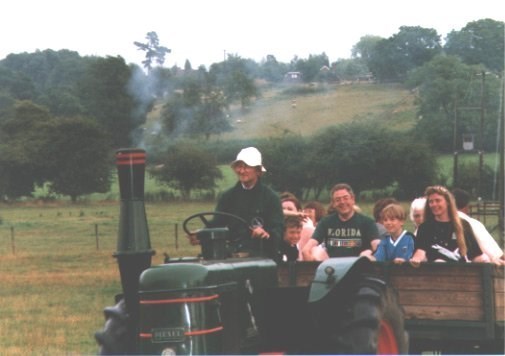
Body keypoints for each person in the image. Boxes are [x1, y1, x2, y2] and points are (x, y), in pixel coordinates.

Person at [187, 147, 284, 260]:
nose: (241, 171)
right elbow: (217, 223)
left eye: (246, 167)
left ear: (258, 171)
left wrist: (265, 233)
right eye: (239, 166)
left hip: (261, 255)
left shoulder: (271, 198)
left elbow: (278, 230)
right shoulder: (227, 197)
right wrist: (201, 234)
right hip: (230, 253)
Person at [410, 185, 487, 267]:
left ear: (447, 202)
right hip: (434, 274)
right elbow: (421, 251)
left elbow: (475, 254)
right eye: (431, 202)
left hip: (461, 273)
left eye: (438, 200)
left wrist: (488, 261)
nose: (434, 204)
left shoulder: (463, 225)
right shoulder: (425, 228)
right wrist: (416, 259)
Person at [302, 183, 380, 261]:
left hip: (359, 266)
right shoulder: (325, 222)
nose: (342, 202)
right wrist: (308, 255)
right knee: (315, 251)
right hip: (332, 267)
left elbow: (376, 244)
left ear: (353, 199)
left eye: (345, 198)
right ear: (333, 204)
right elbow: (308, 246)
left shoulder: (367, 222)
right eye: (338, 200)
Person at [452, 188, 503, 265]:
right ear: (467, 207)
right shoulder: (472, 223)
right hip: (468, 269)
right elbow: (495, 253)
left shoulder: (435, 222)